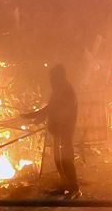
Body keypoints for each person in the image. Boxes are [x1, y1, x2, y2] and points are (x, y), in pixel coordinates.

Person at [34, 64, 79, 197]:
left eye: (53, 78)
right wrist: (38, 116)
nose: (51, 81)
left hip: (65, 132)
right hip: (58, 132)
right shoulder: (58, 89)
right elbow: (51, 107)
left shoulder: (67, 91)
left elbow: (61, 111)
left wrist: (38, 115)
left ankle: (74, 189)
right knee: (58, 160)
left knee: (66, 160)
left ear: (60, 77)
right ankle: (65, 186)